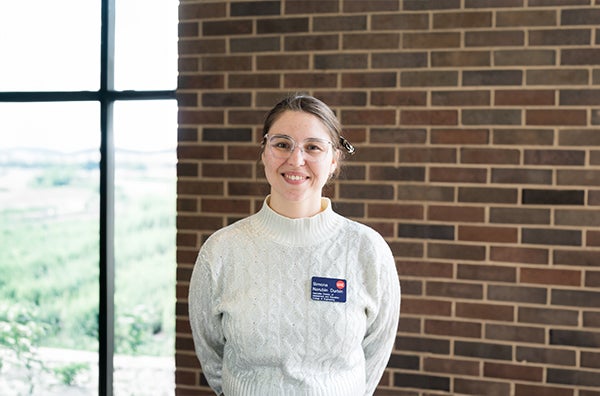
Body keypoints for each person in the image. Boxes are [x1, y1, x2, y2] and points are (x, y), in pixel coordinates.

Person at [188, 94, 401, 396]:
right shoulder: (222, 250)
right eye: (282, 144)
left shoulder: (367, 250)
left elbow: (376, 351)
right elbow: (211, 352)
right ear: (264, 152)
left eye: (313, 147)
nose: (296, 159)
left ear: (334, 159)